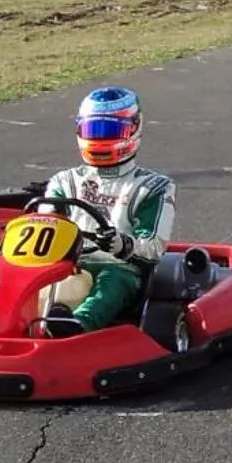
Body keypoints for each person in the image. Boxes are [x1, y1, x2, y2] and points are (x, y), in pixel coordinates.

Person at [34, 87, 177, 336]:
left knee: (113, 282)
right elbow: (46, 225)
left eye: (110, 130)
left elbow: (154, 248)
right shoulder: (64, 182)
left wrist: (122, 244)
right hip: (68, 264)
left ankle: (75, 326)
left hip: (117, 266)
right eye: (94, 130)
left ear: (135, 128)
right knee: (27, 274)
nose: (100, 138)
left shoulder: (152, 187)